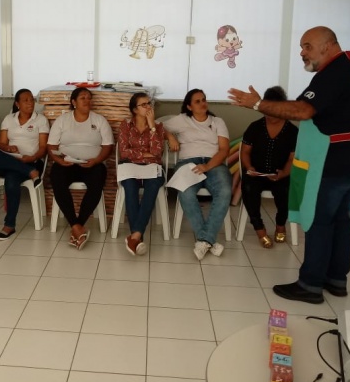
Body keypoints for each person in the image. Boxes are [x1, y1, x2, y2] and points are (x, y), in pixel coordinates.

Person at [228, 26, 350, 304]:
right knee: (339, 219)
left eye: (307, 46)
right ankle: (336, 279)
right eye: (301, 47)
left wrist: (258, 104)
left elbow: (302, 110)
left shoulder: (334, 73)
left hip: (333, 162)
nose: (302, 53)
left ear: (327, 45)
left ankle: (310, 284)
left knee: (319, 221)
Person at [164, 89, 231, 261]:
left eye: (204, 99)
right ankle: (208, 240)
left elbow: (224, 150)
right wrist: (170, 136)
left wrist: (207, 166)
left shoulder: (217, 121)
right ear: (189, 106)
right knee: (185, 192)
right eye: (197, 101)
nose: (203, 103)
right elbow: (157, 127)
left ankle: (204, 240)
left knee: (224, 191)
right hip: (188, 162)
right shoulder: (182, 120)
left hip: (214, 163)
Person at [47, 87, 113, 250]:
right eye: (83, 98)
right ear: (73, 102)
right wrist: (58, 160)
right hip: (67, 163)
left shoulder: (99, 120)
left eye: (89, 98)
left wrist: (96, 160)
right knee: (56, 177)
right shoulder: (63, 120)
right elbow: (51, 146)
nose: (87, 101)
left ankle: (77, 225)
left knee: (98, 180)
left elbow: (108, 146)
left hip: (92, 164)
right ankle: (77, 227)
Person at [239, 86, 298, 248]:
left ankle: (280, 224)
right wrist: (249, 167)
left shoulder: (292, 131)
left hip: (281, 174)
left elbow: (292, 159)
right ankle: (260, 229)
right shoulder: (254, 127)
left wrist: (283, 173)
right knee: (248, 189)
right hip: (256, 173)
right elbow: (245, 152)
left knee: (286, 191)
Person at [0, 88, 48, 240]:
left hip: (32, 161)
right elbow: (1, 144)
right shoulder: (9, 119)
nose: (30, 103)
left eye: (32, 100)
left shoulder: (41, 120)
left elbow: (43, 148)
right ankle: (30, 173)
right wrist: (8, 148)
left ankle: (9, 225)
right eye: (25, 100)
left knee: (11, 179)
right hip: (12, 160)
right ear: (17, 104)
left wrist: (32, 157)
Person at [117, 92, 166, 256]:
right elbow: (124, 152)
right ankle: (137, 237)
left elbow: (157, 152)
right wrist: (145, 154)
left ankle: (135, 237)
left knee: (152, 187)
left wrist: (152, 126)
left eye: (149, 103)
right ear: (134, 109)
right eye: (143, 105)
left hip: (152, 168)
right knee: (130, 187)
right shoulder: (125, 125)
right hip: (130, 167)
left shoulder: (158, 126)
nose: (148, 107)